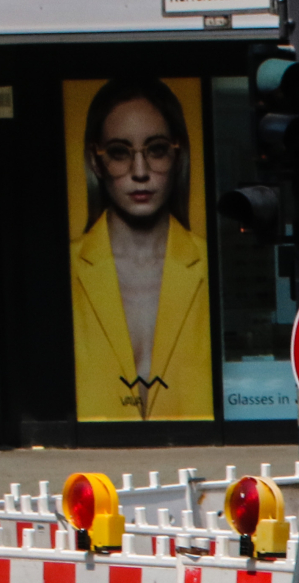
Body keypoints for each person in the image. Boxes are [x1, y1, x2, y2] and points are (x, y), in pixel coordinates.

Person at [71, 77, 214, 422]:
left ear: (178, 154)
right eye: (120, 153)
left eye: (156, 150)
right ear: (96, 160)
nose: (140, 172)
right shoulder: (69, 267)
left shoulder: (209, 264)